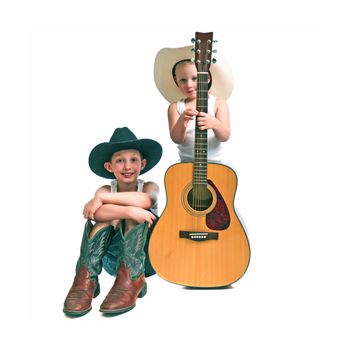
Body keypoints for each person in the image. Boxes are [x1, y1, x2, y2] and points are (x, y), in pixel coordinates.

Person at [63, 127, 162, 317]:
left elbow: (146, 201)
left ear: (143, 163)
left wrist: (104, 201)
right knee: (105, 220)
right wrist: (129, 210)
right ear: (110, 167)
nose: (127, 166)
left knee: (130, 218)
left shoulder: (149, 186)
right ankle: (86, 280)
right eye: (120, 161)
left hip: (149, 258)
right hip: (114, 262)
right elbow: (95, 215)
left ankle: (133, 279)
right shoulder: (105, 189)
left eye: (133, 160)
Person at [154, 45, 234, 163]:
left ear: (207, 78)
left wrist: (215, 124)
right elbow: (176, 139)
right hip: (186, 163)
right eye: (183, 80)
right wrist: (182, 121)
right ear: (176, 81)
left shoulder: (218, 104)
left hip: (215, 164)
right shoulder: (175, 107)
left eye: (195, 78)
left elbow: (225, 136)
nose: (189, 85)